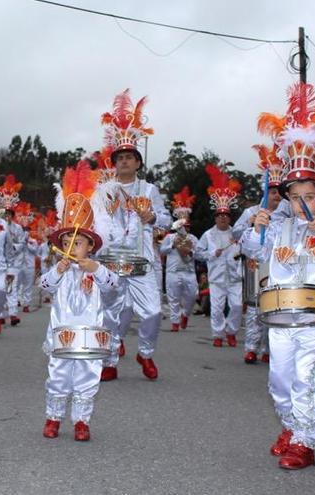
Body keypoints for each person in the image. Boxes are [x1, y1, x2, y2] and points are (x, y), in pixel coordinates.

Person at [243, 82, 315, 469]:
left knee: (306, 378)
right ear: (287, 198)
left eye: (309, 196)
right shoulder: (276, 226)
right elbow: (253, 252)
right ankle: (290, 427)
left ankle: (305, 441)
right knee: (279, 380)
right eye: (295, 197)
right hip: (281, 312)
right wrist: (256, 227)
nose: (301, 203)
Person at [94, 89, 170, 381]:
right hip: (111, 259)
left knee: (151, 312)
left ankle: (145, 353)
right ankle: (110, 359)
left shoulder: (150, 191)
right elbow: (96, 223)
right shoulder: (104, 190)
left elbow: (165, 220)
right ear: (114, 162)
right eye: (120, 157)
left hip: (141, 261)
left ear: (138, 162)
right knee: (113, 312)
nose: (124, 161)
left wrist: (151, 217)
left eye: (129, 157)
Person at [41, 160, 120, 441]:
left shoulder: (98, 270)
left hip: (88, 335)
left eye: (77, 242)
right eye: (66, 243)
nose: (71, 247)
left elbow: (114, 286)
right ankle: (53, 417)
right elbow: (45, 286)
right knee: (59, 376)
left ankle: (82, 421)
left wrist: (96, 269)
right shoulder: (60, 270)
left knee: (88, 377)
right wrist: (58, 269)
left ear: (90, 246)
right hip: (62, 333)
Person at [232, 144, 284, 363]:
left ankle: (269, 350)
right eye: (272, 193)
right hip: (256, 265)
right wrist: (251, 224)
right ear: (266, 192)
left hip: (280, 266)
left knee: (276, 307)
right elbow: (235, 232)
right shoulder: (252, 212)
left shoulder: (288, 214)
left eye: (280, 193)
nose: (276, 197)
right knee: (255, 307)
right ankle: (251, 347)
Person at [195, 164, 243, 348]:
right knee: (216, 309)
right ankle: (218, 334)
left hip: (235, 277)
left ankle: (231, 332)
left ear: (229, 217)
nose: (223, 218)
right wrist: (211, 254)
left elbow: (246, 251)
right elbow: (198, 253)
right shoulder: (208, 235)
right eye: (219, 215)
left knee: (237, 306)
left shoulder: (237, 234)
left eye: (226, 215)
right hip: (216, 278)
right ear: (215, 217)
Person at [160, 187, 198, 332]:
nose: (184, 228)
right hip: (173, 271)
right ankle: (175, 322)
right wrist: (172, 245)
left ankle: (185, 314)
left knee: (193, 295)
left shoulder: (193, 238)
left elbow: (198, 254)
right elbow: (162, 250)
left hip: (189, 271)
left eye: (186, 226)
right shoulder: (170, 237)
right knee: (173, 297)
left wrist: (189, 250)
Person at [0, 176, 23, 331]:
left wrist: (14, 247)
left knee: (10, 288)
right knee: (0, 290)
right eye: (5, 213)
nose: (7, 216)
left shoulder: (18, 229)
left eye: (10, 213)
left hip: (12, 264)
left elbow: (21, 244)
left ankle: (13, 314)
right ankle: (1, 314)